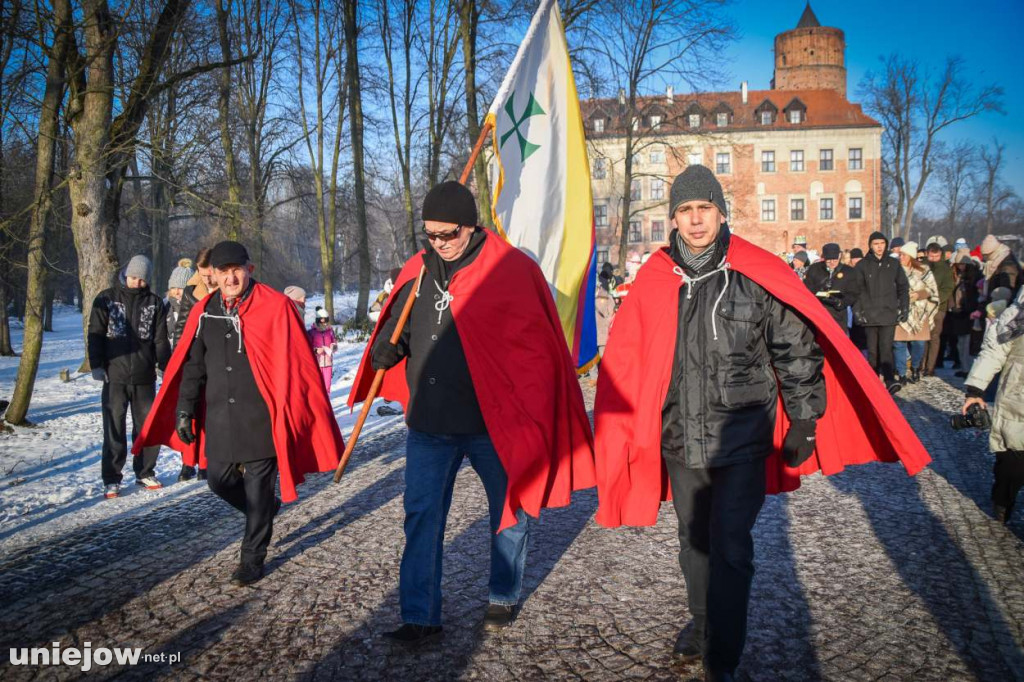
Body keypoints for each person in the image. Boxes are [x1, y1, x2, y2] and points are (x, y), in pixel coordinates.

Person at [594, 165, 930, 682]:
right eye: (685, 210)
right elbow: (630, 356)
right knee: (693, 542)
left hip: (742, 435)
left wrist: (806, 419)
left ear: (720, 212)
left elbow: (795, 350)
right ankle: (703, 624)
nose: (696, 220)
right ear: (674, 218)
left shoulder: (754, 272)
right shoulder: (657, 277)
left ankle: (723, 653)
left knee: (730, 545)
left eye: (704, 208)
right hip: (680, 438)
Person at [351, 181, 595, 643]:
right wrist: (386, 347)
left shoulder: (510, 270)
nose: (439, 243)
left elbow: (536, 347)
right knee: (421, 515)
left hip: (492, 423)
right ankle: (420, 615)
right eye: (430, 235)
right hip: (430, 423)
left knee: (509, 510)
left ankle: (503, 593)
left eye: (448, 234)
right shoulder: (419, 270)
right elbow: (400, 327)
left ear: (471, 226)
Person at [134, 241, 344, 585]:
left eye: (237, 270)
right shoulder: (204, 311)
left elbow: (297, 363)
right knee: (219, 480)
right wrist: (185, 409)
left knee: (259, 488)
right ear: (212, 275)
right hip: (220, 414)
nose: (231, 278)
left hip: (261, 416)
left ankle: (252, 558)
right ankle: (264, 511)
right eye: (223, 271)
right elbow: (193, 366)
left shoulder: (274, 306)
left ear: (250, 270)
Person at [88, 255, 171, 498]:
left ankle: (145, 471)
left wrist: (164, 365)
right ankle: (112, 477)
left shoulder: (155, 303)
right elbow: (95, 333)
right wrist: (97, 365)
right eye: (133, 277)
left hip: (144, 377)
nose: (137, 283)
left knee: (146, 427)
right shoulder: (106, 298)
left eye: (142, 279)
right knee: (113, 428)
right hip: (114, 376)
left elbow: (160, 339)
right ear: (126, 275)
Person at [963, 287, 1024, 523]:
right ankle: (1003, 500)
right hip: (1018, 398)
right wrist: (975, 390)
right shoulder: (1017, 313)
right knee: (1012, 462)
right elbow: (993, 351)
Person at [172, 247, 218, 481]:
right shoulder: (192, 291)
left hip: (216, 358)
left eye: (209, 273)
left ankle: (206, 462)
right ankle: (187, 462)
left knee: (210, 412)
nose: (206, 278)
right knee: (189, 410)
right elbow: (181, 326)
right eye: (201, 273)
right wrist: (176, 358)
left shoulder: (227, 289)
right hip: (192, 358)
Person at [854, 232, 910, 393]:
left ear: (886, 245)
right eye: (876, 244)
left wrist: (904, 307)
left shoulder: (893, 263)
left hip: (888, 312)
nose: (879, 247)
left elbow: (903, 287)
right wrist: (858, 311)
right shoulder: (862, 265)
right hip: (869, 313)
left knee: (886, 349)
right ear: (870, 246)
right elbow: (856, 290)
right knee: (872, 350)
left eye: (882, 243)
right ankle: (873, 380)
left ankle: (889, 379)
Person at [165, 258, 197, 482]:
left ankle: (200, 460)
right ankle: (186, 462)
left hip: (193, 367)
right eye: (174, 288)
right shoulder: (165, 309)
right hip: (172, 370)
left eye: (182, 288)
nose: (177, 292)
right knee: (180, 418)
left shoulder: (195, 307)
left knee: (194, 416)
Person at [893, 242, 939, 384]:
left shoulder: (924, 270)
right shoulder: (895, 270)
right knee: (899, 343)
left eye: (904, 255)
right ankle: (901, 373)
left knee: (918, 343)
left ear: (910, 256)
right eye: (900, 254)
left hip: (919, 311)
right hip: (900, 310)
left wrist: (918, 295)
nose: (901, 257)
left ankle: (915, 368)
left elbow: (932, 289)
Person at [804, 242, 860, 334]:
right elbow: (807, 288)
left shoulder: (849, 272)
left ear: (839, 256)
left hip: (838, 315)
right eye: (829, 260)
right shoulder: (814, 269)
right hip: (819, 312)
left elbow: (853, 293)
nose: (832, 263)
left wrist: (841, 302)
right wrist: (821, 288)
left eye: (835, 259)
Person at [924, 242, 955, 376]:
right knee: (923, 337)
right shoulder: (922, 266)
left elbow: (948, 288)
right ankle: (921, 365)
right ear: (927, 254)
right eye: (931, 256)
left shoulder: (945, 269)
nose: (934, 259)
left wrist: (935, 299)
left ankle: (930, 367)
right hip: (923, 306)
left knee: (934, 336)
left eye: (936, 256)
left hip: (938, 307)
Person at [980, 234, 1022, 300]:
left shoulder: (1008, 266)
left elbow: (1007, 290)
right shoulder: (996, 262)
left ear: (992, 252)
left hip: (1002, 302)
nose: (985, 258)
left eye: (986, 255)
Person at [308, 306, 337, 394]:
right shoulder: (312, 332)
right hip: (317, 363)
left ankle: (327, 400)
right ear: (318, 320)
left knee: (327, 386)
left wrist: (333, 347)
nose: (324, 323)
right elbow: (307, 347)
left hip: (328, 362)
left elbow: (334, 342)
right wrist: (315, 351)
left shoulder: (330, 331)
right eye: (321, 320)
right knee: (318, 385)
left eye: (325, 320)